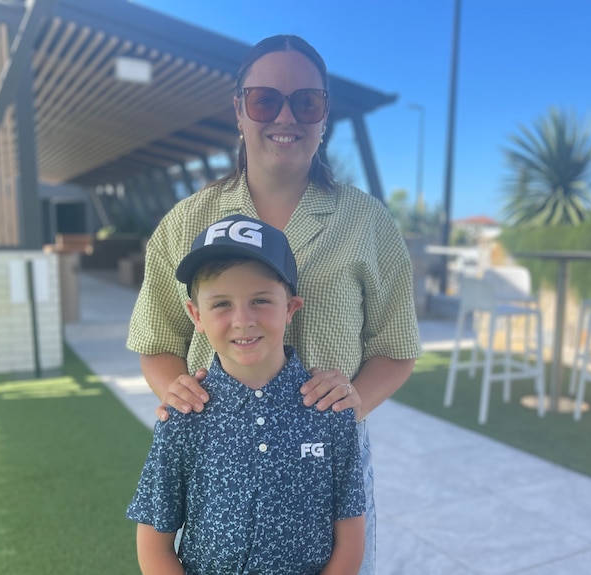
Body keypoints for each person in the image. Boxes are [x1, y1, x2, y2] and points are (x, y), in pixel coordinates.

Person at [127, 34, 422, 574]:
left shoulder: (369, 223)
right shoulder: (186, 222)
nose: (286, 116)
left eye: (306, 101)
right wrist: (179, 392)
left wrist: (350, 404)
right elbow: (157, 340)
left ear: (325, 115)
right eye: (265, 99)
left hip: (322, 455)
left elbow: (396, 345)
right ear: (239, 109)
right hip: (222, 446)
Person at [127, 215, 365, 574]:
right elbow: (153, 543)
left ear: (290, 308)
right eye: (221, 303)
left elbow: (350, 538)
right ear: (196, 315)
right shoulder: (183, 417)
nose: (242, 319)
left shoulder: (329, 408)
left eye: (260, 300)